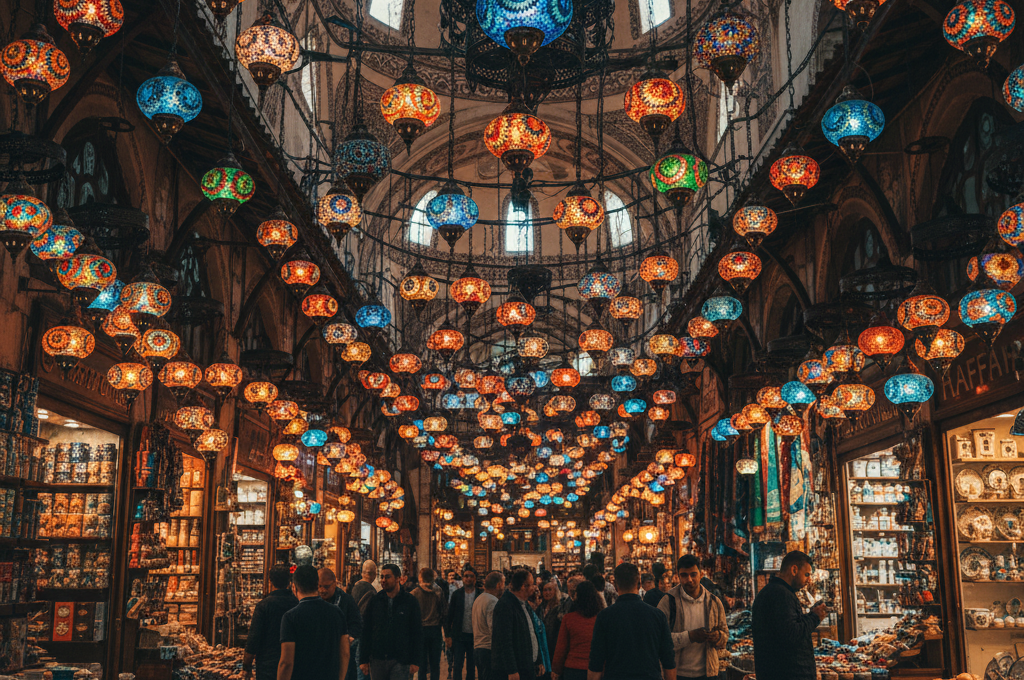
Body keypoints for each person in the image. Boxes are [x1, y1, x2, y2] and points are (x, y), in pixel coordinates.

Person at [588, 562, 675, 680]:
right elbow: (668, 658)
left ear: (615, 585)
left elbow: (596, 661)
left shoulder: (605, 617)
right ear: (639, 584)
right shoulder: (657, 616)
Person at [751, 551, 828, 680]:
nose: (809, 580)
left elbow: (786, 627)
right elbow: (792, 633)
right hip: (787, 673)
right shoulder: (781, 595)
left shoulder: (775, 592)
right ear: (794, 570)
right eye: (806, 574)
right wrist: (815, 617)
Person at [657, 556, 728, 680]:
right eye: (684, 575)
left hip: (708, 674)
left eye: (693, 574)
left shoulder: (714, 602)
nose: (689, 579)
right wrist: (690, 637)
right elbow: (659, 640)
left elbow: (725, 636)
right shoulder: (668, 602)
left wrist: (717, 636)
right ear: (678, 576)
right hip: (677, 674)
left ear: (701, 574)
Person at [277, 565, 349, 680]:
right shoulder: (337, 613)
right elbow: (345, 653)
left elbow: (286, 662)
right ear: (317, 585)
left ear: (294, 587)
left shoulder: (290, 618)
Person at [360, 564, 424, 680]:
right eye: (382, 577)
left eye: (387, 577)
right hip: (378, 658)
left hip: (400, 659)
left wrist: (415, 660)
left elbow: (416, 631)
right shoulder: (375, 601)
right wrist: (363, 659)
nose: (383, 580)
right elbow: (367, 630)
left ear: (398, 578)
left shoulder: (410, 602)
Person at [243, 565, 298, 680]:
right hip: (293, 665)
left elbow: (253, 638)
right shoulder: (297, 604)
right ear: (289, 581)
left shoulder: (263, 606)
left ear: (270, 581)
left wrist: (246, 666)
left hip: (267, 667)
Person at [491, 569, 544, 680]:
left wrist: (538, 660)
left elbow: (532, 633)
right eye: (531, 584)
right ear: (523, 587)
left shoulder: (525, 604)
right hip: (516, 670)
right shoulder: (505, 606)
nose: (534, 587)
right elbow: (505, 641)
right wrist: (512, 670)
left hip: (527, 666)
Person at [551, 580, 602, 680]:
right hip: (596, 669)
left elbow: (561, 647)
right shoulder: (602, 619)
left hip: (573, 668)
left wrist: (556, 670)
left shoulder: (568, 619)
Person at [320, 568, 364, 680]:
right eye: (319, 586)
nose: (322, 590)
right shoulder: (314, 601)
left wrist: (349, 638)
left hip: (342, 654)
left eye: (326, 587)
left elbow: (357, 624)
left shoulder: (346, 600)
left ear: (334, 584)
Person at [412, 568, 448, 680]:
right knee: (435, 664)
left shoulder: (414, 593)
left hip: (420, 631)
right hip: (435, 630)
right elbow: (444, 612)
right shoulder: (438, 592)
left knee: (421, 665)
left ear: (420, 577)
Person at [446, 565, 480, 680]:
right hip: (459, 635)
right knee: (458, 665)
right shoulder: (457, 594)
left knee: (471, 665)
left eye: (471, 576)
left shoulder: (480, 594)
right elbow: (449, 615)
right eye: (466, 576)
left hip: (474, 636)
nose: (468, 579)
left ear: (475, 579)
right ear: (463, 578)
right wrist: (448, 635)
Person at [472, 571, 505, 680]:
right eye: (503, 583)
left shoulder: (479, 599)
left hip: (478, 648)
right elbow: (494, 629)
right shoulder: (492, 601)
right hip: (488, 649)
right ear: (498, 585)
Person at [535, 580, 563, 670]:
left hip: (554, 646)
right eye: (545, 590)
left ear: (555, 591)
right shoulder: (541, 607)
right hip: (543, 646)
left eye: (550, 590)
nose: (547, 593)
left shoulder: (560, 608)